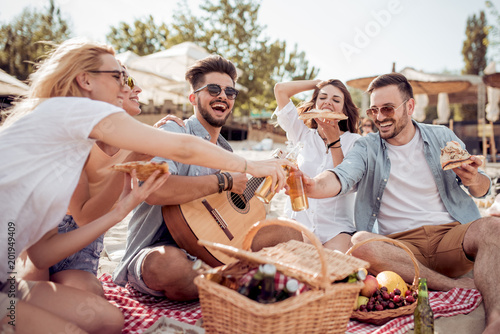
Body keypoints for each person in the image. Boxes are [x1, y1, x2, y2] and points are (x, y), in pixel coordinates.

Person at [0, 39, 291, 333]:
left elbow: (42, 252)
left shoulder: (69, 145)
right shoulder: (75, 110)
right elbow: (184, 149)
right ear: (85, 80)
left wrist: (120, 211)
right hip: (152, 257)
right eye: (118, 77)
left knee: (109, 321)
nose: (127, 87)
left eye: (230, 91)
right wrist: (250, 166)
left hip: (6, 278)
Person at [299, 72, 500, 333]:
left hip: (451, 238)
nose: (380, 116)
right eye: (374, 109)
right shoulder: (367, 147)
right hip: (401, 249)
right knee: (360, 243)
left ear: (410, 106)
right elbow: (342, 176)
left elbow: (483, 189)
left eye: (388, 108)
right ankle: (454, 286)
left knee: (492, 228)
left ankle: (495, 320)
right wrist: (312, 186)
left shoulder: (442, 136)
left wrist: (473, 179)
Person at [113, 55, 300, 301]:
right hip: (158, 249)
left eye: (230, 92)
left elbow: (224, 212)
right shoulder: (173, 131)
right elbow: (154, 190)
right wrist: (224, 181)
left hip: (212, 250)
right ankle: (234, 281)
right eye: (213, 89)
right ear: (193, 98)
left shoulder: (227, 153)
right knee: (167, 265)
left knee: (291, 235)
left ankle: (222, 280)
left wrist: (259, 189)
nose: (223, 96)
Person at [273, 79, 360, 252]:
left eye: (336, 100)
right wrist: (318, 83)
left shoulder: (355, 142)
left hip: (336, 228)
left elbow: (346, 181)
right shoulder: (302, 134)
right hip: (300, 222)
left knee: (334, 267)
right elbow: (280, 89)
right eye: (323, 98)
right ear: (315, 104)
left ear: (343, 109)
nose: (328, 102)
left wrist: (335, 140)